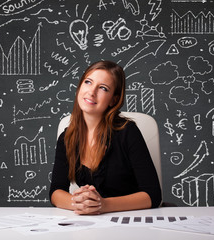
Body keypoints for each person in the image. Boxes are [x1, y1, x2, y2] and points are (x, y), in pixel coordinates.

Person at [49, 60, 162, 215]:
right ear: (80, 87)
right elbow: (56, 191)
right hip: (92, 223)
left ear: (113, 100)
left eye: (103, 88)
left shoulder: (128, 132)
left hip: (130, 220)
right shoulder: (66, 138)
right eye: (88, 82)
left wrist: (103, 205)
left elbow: (153, 195)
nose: (92, 92)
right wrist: (79, 203)